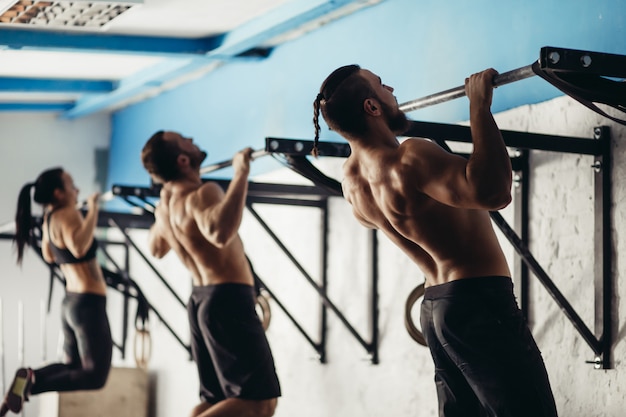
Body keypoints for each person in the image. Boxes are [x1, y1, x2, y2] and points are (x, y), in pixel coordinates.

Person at [313, 66, 558, 417]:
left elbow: (377, 219)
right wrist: (479, 108)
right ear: (372, 107)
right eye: (383, 85)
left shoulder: (352, 182)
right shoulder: (409, 157)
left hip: (436, 309)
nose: (392, 88)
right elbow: (494, 192)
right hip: (478, 304)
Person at [141, 131, 280, 417]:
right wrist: (241, 173)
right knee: (259, 404)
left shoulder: (167, 206)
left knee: (215, 402)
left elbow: (156, 247)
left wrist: (163, 201)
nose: (192, 139)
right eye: (185, 140)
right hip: (227, 301)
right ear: (183, 160)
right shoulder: (202, 193)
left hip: (201, 301)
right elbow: (219, 232)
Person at [2, 168, 112, 416]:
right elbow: (79, 246)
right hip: (87, 305)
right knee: (95, 376)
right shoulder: (67, 213)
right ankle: (34, 383)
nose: (78, 191)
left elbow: (49, 254)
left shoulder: (50, 219)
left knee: (72, 365)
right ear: (58, 193)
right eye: (72, 185)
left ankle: (29, 377)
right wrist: (93, 208)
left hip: (71, 303)